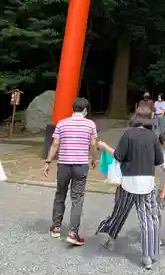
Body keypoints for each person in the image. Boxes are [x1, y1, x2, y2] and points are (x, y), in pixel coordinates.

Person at [96, 105, 163, 270]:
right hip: (147, 182)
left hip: (128, 181)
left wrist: (104, 147)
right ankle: (148, 256)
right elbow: (158, 161)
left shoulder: (128, 134)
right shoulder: (153, 137)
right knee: (148, 218)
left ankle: (110, 241)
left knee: (120, 211)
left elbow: (118, 156)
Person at [44, 97, 97, 246]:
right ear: (85, 110)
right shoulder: (90, 124)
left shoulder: (62, 123)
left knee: (60, 194)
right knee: (77, 199)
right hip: (80, 165)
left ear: (73, 109)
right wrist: (94, 159)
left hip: (64, 165)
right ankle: (73, 233)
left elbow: (55, 144)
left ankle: (56, 227)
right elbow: (93, 145)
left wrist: (48, 161)